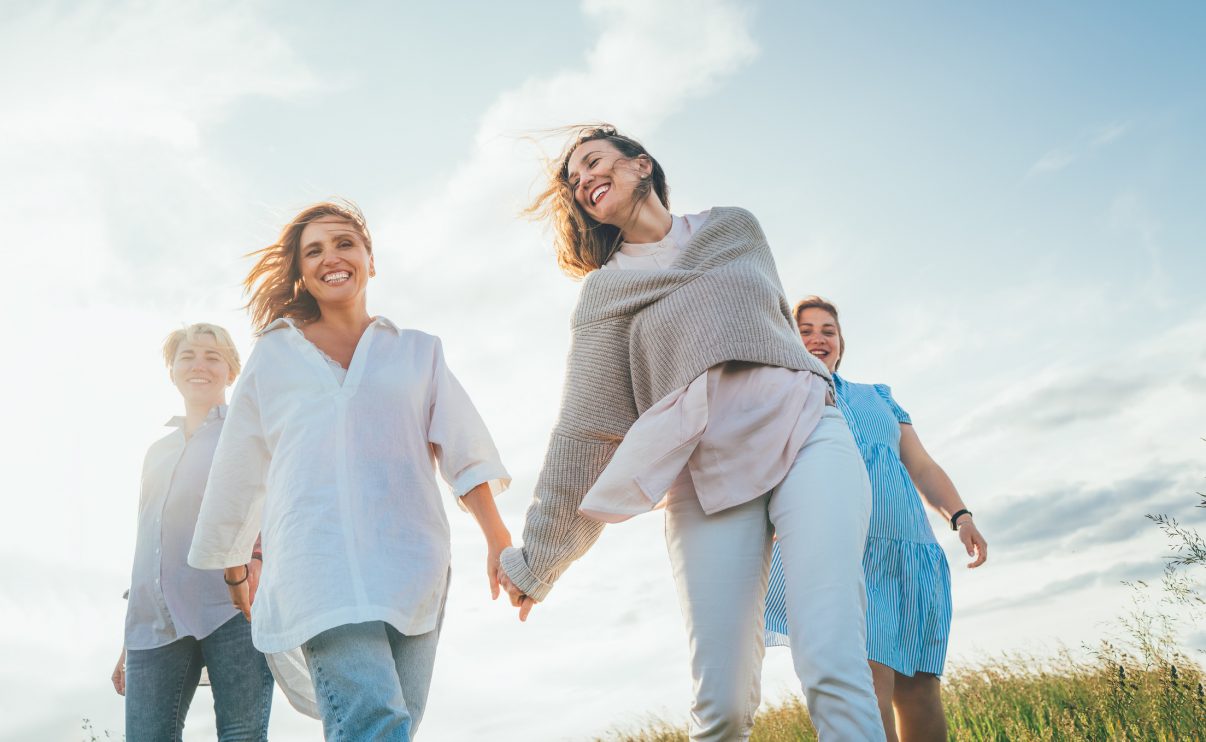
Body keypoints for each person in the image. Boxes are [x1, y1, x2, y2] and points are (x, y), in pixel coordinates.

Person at [498, 124, 885, 741]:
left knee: (832, 655)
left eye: (594, 163)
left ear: (641, 165)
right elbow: (585, 431)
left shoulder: (733, 228)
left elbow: (759, 326)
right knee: (724, 705)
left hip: (807, 429)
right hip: (705, 474)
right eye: (574, 181)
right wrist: (538, 559)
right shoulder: (607, 293)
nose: (583, 180)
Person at [187, 201, 511, 741]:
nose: (331, 258)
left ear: (370, 259)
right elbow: (239, 469)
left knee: (398, 721)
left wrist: (497, 538)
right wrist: (235, 566)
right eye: (313, 250)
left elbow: (465, 448)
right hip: (317, 562)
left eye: (344, 244)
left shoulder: (417, 352)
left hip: (412, 561)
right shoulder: (273, 357)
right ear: (300, 272)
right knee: (372, 722)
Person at [764, 296, 988, 742]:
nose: (817, 338)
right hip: (846, 554)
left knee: (921, 689)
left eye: (828, 330)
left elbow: (921, 465)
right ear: (786, 339)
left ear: (841, 343)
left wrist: (960, 516)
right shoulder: (777, 399)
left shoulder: (877, 397)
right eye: (805, 330)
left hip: (911, 551)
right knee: (868, 685)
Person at [115, 323, 274, 741]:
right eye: (187, 356)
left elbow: (271, 505)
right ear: (172, 371)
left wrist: (257, 560)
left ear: (232, 371)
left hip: (233, 608)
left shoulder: (248, 433)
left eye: (212, 356)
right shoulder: (156, 452)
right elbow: (150, 544)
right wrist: (128, 636)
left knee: (243, 735)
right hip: (153, 621)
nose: (198, 365)